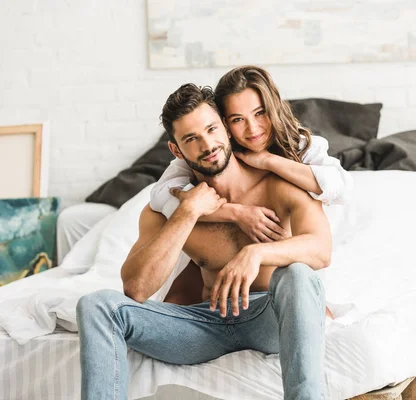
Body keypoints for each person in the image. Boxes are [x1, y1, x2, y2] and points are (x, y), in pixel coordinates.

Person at [76, 84, 333, 400]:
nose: (207, 144)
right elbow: (137, 288)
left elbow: (321, 251)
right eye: (191, 138)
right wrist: (187, 213)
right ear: (177, 151)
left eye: (211, 129)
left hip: (269, 318)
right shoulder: (170, 206)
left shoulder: (281, 186)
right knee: (97, 305)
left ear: (225, 128)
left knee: (296, 273)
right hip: (204, 325)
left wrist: (255, 253)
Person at [150, 65, 352, 243]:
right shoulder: (211, 154)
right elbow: (161, 198)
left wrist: (268, 161)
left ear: (273, 109)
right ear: (225, 125)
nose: (253, 129)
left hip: (312, 247)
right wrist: (237, 213)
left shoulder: (300, 145)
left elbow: (341, 189)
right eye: (238, 119)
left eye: (259, 113)